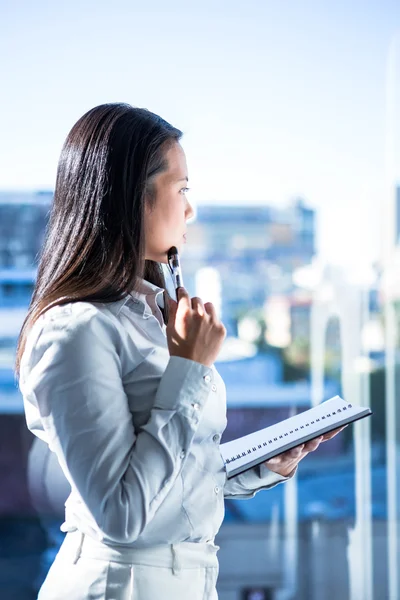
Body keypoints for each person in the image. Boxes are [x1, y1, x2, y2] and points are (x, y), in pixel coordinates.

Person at [15, 103, 344, 600]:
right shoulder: (73, 332)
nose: (190, 209)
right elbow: (123, 513)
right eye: (182, 189)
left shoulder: (151, 318)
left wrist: (264, 465)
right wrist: (189, 367)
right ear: (129, 197)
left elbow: (174, 475)